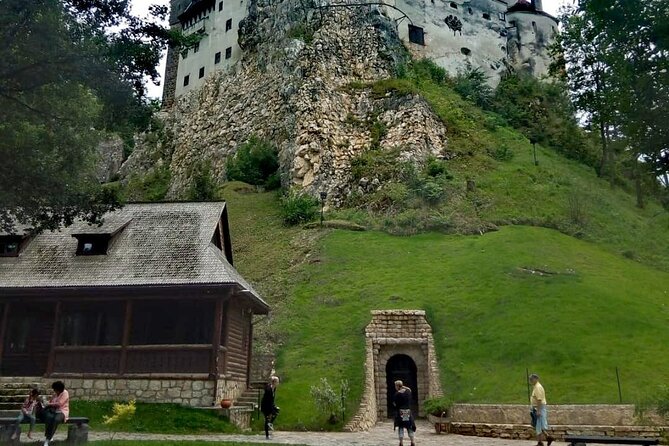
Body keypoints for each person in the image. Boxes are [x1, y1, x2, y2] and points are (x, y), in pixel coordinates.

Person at [529, 374, 554, 446]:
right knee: (538, 425)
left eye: (531, 379)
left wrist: (538, 410)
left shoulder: (538, 387)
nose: (530, 381)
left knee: (538, 425)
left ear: (535, 379)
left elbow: (539, 400)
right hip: (537, 408)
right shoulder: (536, 387)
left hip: (539, 408)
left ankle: (540, 442)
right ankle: (548, 437)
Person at [43, 381, 69, 446]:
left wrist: (49, 404)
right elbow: (51, 401)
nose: (54, 391)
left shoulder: (65, 393)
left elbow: (59, 404)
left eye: (55, 390)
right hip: (54, 410)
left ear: (59, 389)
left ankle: (47, 439)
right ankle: (49, 436)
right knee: (49, 417)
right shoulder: (55, 394)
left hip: (62, 411)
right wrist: (46, 402)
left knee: (56, 419)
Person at [393, 380, 416, 446]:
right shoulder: (408, 392)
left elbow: (395, 404)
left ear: (397, 386)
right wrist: (403, 386)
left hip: (400, 412)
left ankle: (401, 442)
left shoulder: (397, 394)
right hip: (408, 411)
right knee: (409, 427)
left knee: (401, 427)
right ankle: (412, 441)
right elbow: (409, 389)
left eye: (395, 386)